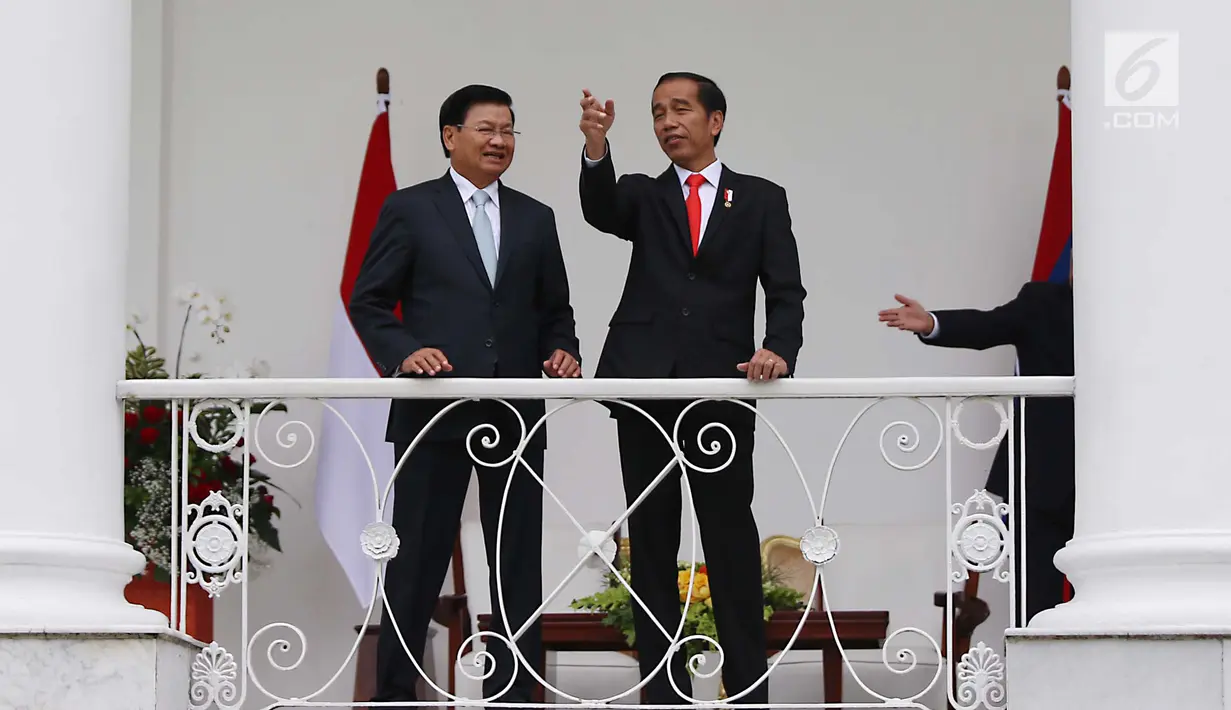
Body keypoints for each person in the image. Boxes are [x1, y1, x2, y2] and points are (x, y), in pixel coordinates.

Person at [577, 72, 806, 703]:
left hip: (722, 388)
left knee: (729, 537)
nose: (667, 122)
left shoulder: (760, 198)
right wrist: (597, 145)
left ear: (716, 120)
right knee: (651, 540)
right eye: (657, 113)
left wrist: (778, 349)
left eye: (681, 109)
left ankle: (746, 690)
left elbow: (785, 292)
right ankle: (662, 690)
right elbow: (600, 209)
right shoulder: (643, 196)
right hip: (644, 385)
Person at [349, 84, 581, 706]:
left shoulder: (536, 217)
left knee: (516, 563)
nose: (499, 140)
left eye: (508, 130)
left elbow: (554, 311)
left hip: (513, 413)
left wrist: (564, 349)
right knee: (416, 561)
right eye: (485, 129)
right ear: (451, 136)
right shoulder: (411, 208)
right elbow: (369, 301)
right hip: (433, 411)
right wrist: (404, 352)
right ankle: (396, 695)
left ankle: (516, 696)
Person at [877, 269, 1074, 624]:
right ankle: (1038, 678)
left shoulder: (1139, 310)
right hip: (1040, 477)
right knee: (1037, 602)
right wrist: (931, 323)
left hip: (1115, 483)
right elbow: (988, 326)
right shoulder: (1043, 302)